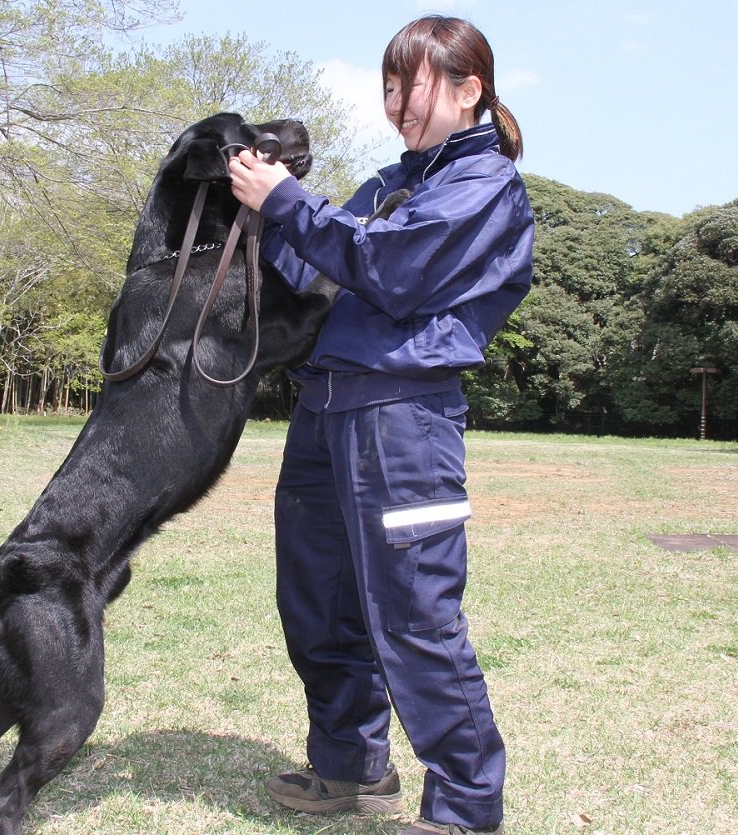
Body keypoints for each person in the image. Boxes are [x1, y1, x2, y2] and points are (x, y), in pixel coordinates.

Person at [227, 15, 534, 835]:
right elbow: (304, 265)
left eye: (415, 82)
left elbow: (393, 269)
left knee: (416, 616)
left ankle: (466, 807)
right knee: (318, 602)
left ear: (468, 90)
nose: (398, 100)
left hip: (405, 417)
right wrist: (262, 202)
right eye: (390, 84)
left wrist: (292, 203)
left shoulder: (483, 186)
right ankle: (351, 766)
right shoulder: (383, 185)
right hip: (323, 409)